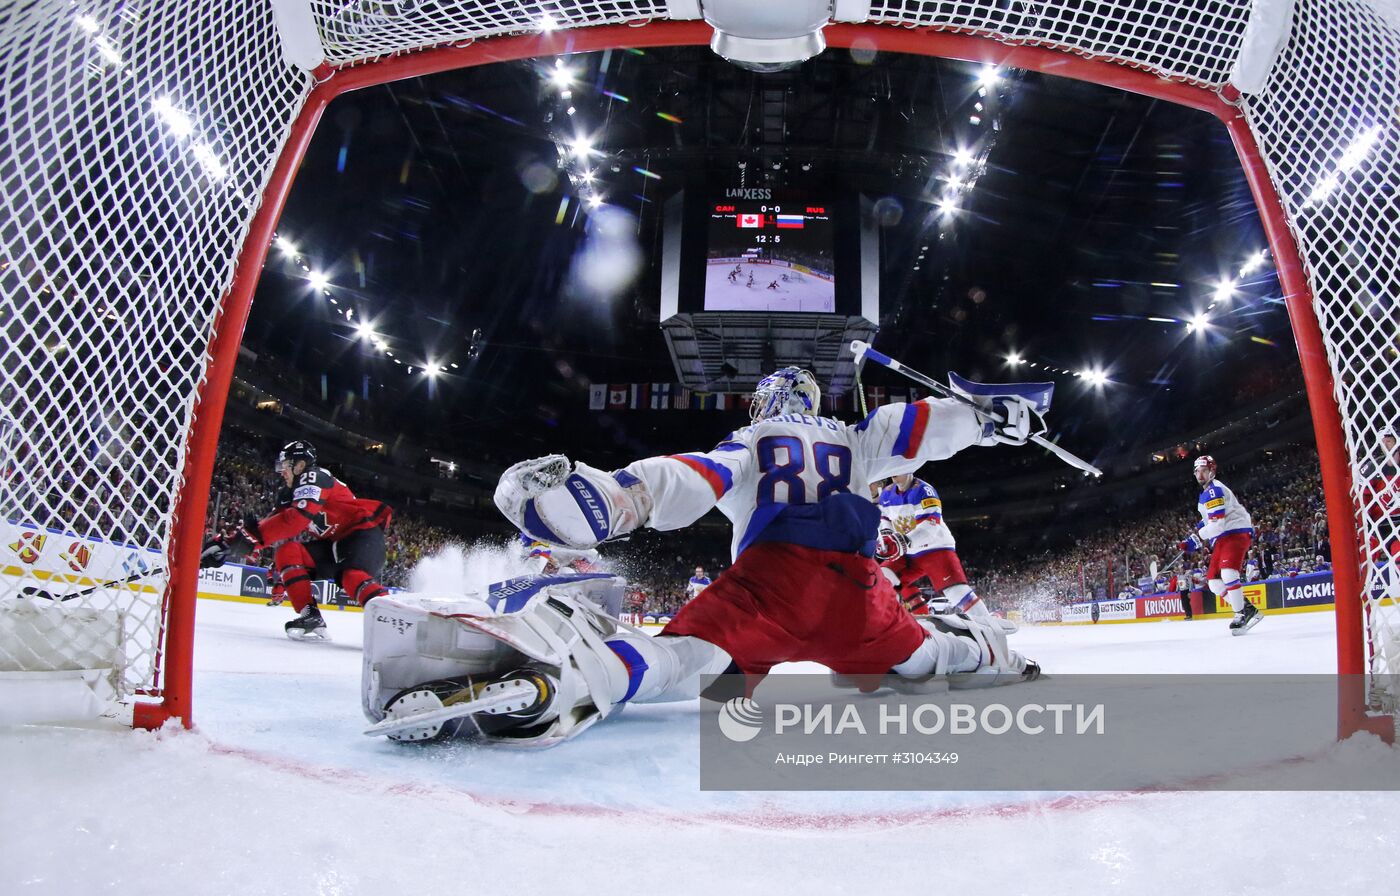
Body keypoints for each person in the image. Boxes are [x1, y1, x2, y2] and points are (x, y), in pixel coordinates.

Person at [364, 367, 1045, 744]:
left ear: (768, 401)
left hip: (771, 587)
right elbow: (921, 427)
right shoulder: (854, 434)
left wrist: (610, 497)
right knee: (918, 658)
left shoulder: (749, 440)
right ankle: (991, 656)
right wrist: (990, 417)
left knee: (682, 664)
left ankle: (568, 681)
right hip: (858, 593)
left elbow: (683, 481)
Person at [205, 440, 392, 639]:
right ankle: (310, 615)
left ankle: (394, 622)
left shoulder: (314, 476)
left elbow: (294, 521)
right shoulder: (290, 493)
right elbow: (267, 527)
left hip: (362, 535)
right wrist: (229, 544)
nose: (281, 471)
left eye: (285, 465)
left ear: (300, 465)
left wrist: (246, 540)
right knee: (288, 552)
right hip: (334, 544)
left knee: (351, 576)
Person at [875, 472, 994, 620]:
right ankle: (920, 615)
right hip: (907, 552)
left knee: (955, 592)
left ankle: (988, 625)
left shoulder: (924, 490)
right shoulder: (886, 493)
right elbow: (886, 519)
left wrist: (899, 542)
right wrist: (886, 537)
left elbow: (930, 527)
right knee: (881, 580)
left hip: (935, 547)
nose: (894, 472)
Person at [1179, 455, 1260, 635]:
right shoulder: (1205, 494)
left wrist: (1197, 539)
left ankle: (1240, 615)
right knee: (1215, 584)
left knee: (1228, 573)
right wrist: (1191, 539)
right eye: (1197, 471)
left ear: (1212, 472)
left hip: (1236, 532)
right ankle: (1248, 609)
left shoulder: (1214, 491)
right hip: (1224, 536)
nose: (1200, 475)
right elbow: (1208, 521)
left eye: (1204, 471)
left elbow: (1217, 525)